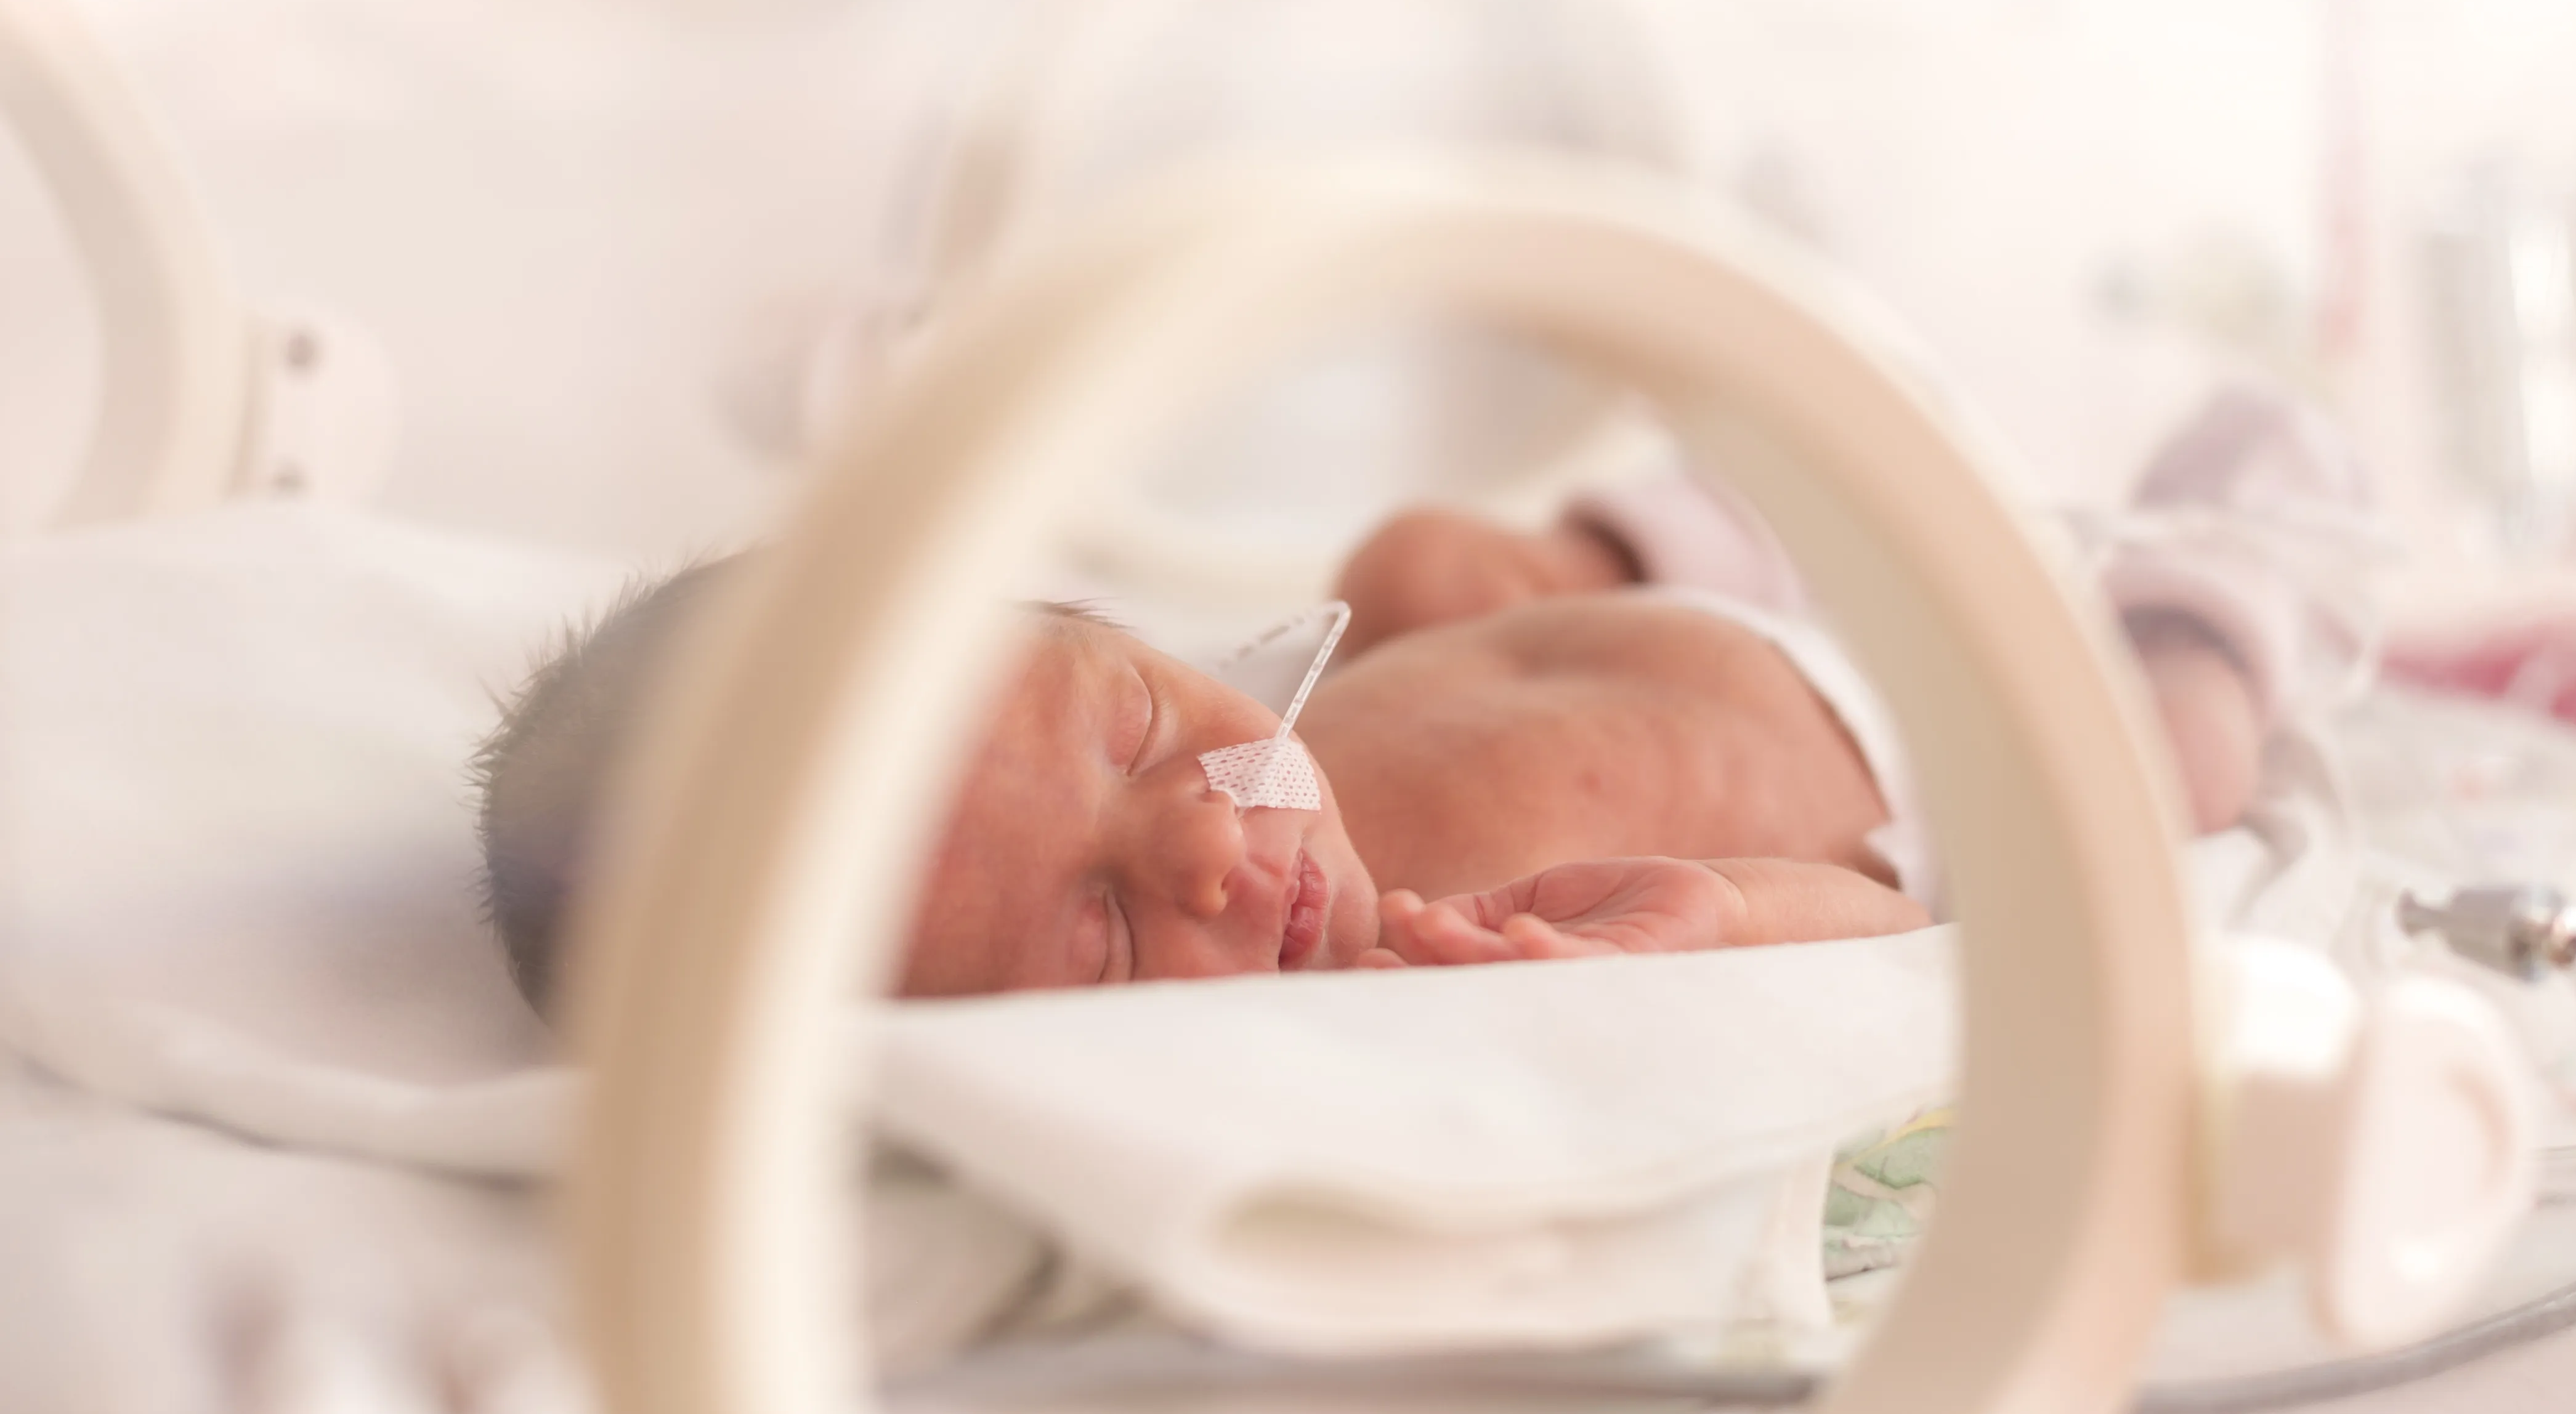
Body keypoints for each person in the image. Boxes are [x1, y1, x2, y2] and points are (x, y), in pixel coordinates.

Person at [474, 386, 2373, 1006]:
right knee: (2168, 774)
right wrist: (1717, 925)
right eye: (1109, 938)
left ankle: (2015, 480)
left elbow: (1275, 706)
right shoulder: (1434, 968)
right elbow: (1888, 943)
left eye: (1133, 727)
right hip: (1954, 767)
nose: (1219, 842)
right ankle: (2228, 575)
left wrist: (1489, 599)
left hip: (1725, 595)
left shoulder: (1249, 760)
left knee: (1431, 570)